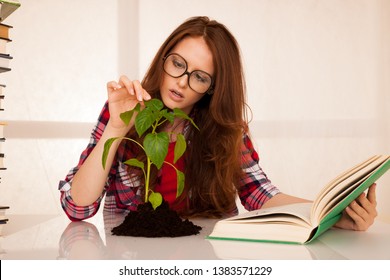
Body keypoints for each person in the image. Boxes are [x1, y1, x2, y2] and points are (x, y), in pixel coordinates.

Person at [59, 16, 377, 231]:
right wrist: (115, 129)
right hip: (130, 258)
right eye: (178, 64)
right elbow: (79, 210)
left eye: (199, 77)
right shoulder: (125, 109)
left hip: (209, 261)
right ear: (163, 58)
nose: (181, 83)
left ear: (213, 87)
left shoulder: (227, 129)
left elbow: (260, 194)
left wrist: (332, 214)